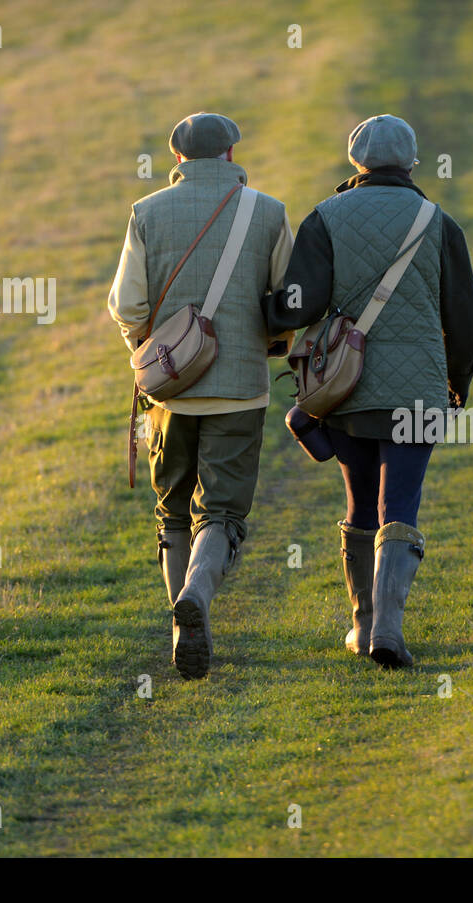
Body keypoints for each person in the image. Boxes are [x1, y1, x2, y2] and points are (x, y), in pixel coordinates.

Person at [266, 114, 473, 668]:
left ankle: (361, 627)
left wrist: (269, 317)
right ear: (411, 163)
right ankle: (389, 628)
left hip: (346, 388)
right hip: (418, 392)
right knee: (400, 503)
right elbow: (465, 328)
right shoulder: (439, 223)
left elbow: (298, 304)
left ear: (355, 161)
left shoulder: (326, 217)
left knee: (360, 502)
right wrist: (455, 385)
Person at [109, 112, 293, 680]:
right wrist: (273, 343)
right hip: (239, 389)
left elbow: (127, 305)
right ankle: (199, 597)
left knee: (172, 513)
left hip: (169, 394)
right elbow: (289, 297)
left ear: (179, 160)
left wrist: (147, 349)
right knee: (222, 512)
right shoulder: (267, 211)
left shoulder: (146, 213)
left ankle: (181, 623)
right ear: (231, 156)